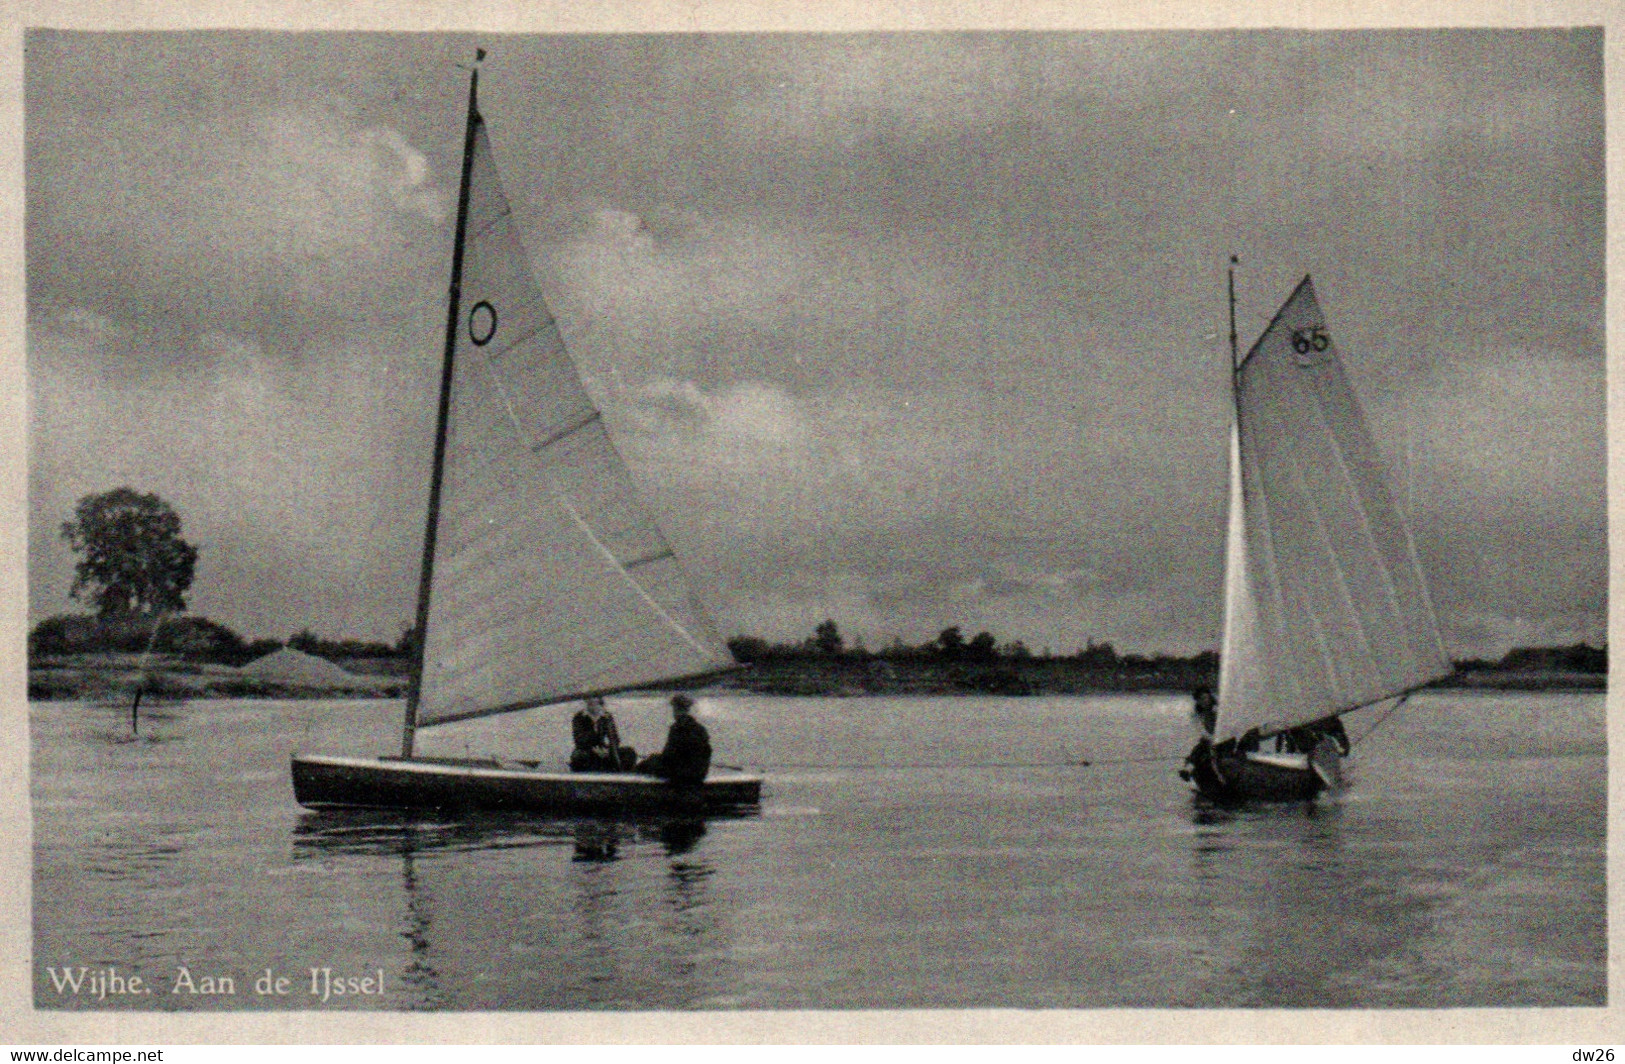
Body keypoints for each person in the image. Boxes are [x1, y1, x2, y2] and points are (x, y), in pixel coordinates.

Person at [635, 693, 712, 786]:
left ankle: (629, 782)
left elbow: (669, 756)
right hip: (700, 773)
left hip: (683, 774)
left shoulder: (677, 728)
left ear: (677, 709)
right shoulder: (701, 729)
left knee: (649, 763)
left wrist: (654, 758)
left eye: (674, 709)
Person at [570, 696, 636, 772]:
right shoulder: (579, 717)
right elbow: (579, 740)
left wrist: (608, 750)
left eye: (596, 703)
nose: (594, 707)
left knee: (629, 752)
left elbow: (614, 738)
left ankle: (621, 774)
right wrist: (594, 724)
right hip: (587, 750)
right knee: (578, 756)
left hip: (604, 749)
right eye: (590, 703)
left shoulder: (606, 717)